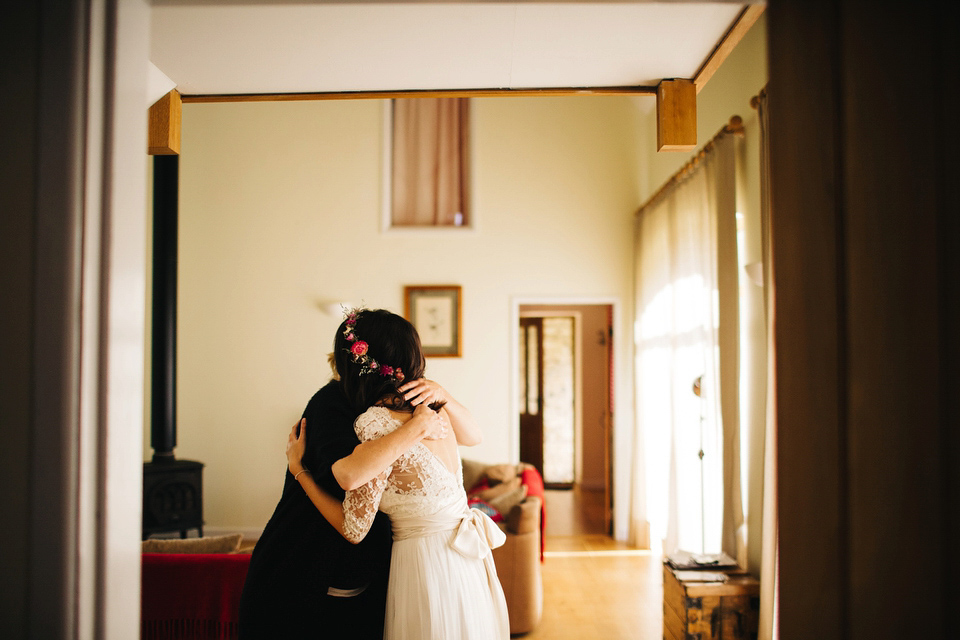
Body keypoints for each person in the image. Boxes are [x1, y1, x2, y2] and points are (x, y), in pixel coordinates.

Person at [286, 308, 510, 640]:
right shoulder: (437, 411)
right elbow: (474, 436)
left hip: (426, 565)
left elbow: (354, 526)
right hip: (466, 564)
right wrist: (441, 395)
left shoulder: (375, 423)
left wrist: (299, 471)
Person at [238, 349, 447, 639]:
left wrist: (440, 396)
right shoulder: (336, 405)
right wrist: (299, 471)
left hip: (370, 567)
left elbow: (473, 436)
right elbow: (350, 483)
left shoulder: (400, 407)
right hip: (308, 565)